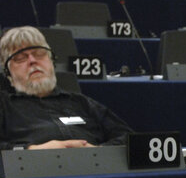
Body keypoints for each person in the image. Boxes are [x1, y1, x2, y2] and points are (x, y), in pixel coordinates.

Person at [0, 26, 133, 150]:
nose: (32, 60)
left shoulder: (82, 102)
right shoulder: (5, 106)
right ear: (8, 73)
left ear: (52, 61)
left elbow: (129, 138)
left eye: (39, 53)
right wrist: (31, 150)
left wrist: (98, 152)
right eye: (20, 58)